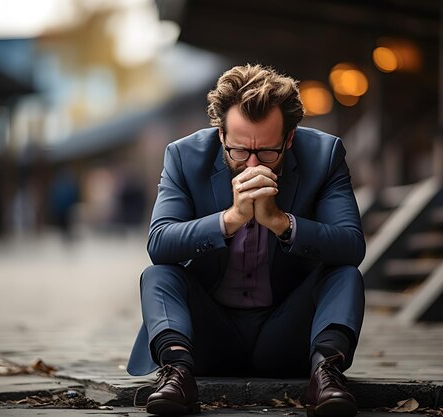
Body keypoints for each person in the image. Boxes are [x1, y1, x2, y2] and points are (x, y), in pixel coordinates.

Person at [127, 64, 365, 417]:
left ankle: (326, 374)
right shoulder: (183, 156)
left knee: (345, 275)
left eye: (268, 151)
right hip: (209, 336)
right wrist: (230, 219)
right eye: (239, 150)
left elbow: (351, 245)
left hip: (287, 334)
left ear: (289, 138)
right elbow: (160, 241)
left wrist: (282, 224)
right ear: (221, 134)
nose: (252, 164)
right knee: (158, 275)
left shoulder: (325, 155)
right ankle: (176, 374)